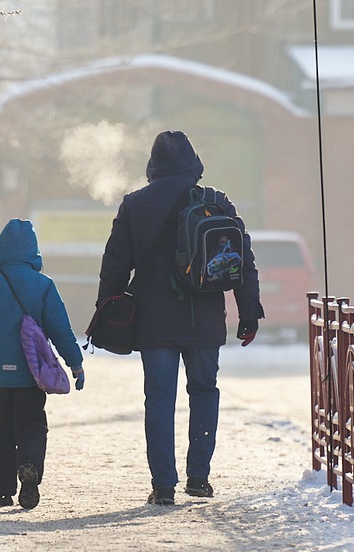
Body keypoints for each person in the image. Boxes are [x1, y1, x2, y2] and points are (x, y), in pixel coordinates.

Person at [97, 130, 263, 505]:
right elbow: (243, 262)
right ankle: (199, 478)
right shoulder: (217, 202)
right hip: (204, 319)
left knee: (159, 399)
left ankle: (163, 485)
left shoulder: (134, 205)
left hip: (155, 322)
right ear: (193, 162)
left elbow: (115, 265)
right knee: (204, 392)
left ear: (153, 164)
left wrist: (107, 309)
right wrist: (248, 313)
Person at [0, 218, 86, 509]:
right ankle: (30, 465)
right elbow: (60, 329)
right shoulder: (44, 285)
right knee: (32, 424)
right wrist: (76, 364)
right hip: (30, 374)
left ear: (0, 250)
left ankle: (1, 490)